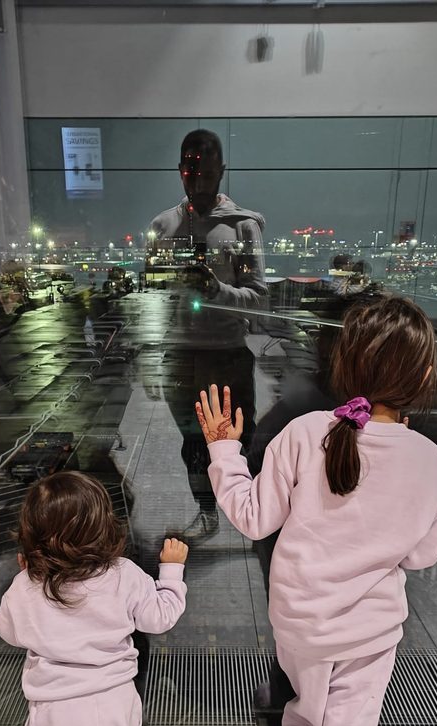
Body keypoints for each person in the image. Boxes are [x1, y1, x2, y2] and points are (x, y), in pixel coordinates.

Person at [195, 296, 437, 726]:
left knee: (305, 715)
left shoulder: (305, 433)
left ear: (346, 362)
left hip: (300, 624)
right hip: (369, 633)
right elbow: (423, 555)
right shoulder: (428, 461)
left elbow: (254, 518)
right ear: (421, 375)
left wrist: (224, 451)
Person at [0, 471, 188, 726]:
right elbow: (159, 618)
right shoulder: (124, 573)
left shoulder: (28, 585)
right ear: (105, 526)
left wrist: (26, 573)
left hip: (59, 710)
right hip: (116, 701)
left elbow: (7, 631)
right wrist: (170, 572)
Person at [147, 128, 266, 541]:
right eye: (189, 174)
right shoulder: (162, 227)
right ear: (179, 172)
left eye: (207, 176)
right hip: (181, 357)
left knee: (241, 438)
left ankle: (251, 513)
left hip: (226, 354)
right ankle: (209, 512)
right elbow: (150, 299)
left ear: (222, 174)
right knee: (193, 446)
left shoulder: (243, 227)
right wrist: (149, 357)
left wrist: (216, 289)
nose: (197, 185)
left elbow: (259, 299)